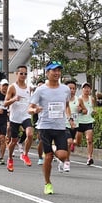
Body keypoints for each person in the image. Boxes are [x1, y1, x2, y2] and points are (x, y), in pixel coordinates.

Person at [28, 61, 74, 195]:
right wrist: (35, 109)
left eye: (59, 70)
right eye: (54, 70)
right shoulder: (41, 90)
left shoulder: (65, 89)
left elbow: (66, 105)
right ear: (47, 72)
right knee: (47, 157)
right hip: (45, 126)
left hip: (60, 127)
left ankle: (54, 149)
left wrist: (70, 118)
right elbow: (29, 108)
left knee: (63, 155)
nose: (57, 73)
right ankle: (47, 183)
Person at [4, 66, 33, 170]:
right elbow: (5, 103)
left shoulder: (29, 87)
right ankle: (10, 158)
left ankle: (25, 154)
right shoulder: (12, 87)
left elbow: (31, 102)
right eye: (21, 73)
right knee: (14, 141)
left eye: (25, 74)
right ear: (17, 74)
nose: (23, 76)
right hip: (15, 117)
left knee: (30, 134)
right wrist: (14, 99)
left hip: (26, 115)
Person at [75, 82, 95, 166]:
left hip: (88, 122)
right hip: (79, 122)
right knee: (78, 142)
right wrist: (81, 110)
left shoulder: (92, 99)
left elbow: (91, 109)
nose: (87, 89)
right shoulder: (78, 99)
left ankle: (90, 157)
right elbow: (76, 109)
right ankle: (72, 144)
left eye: (88, 88)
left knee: (89, 139)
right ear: (82, 89)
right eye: (85, 88)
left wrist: (93, 111)